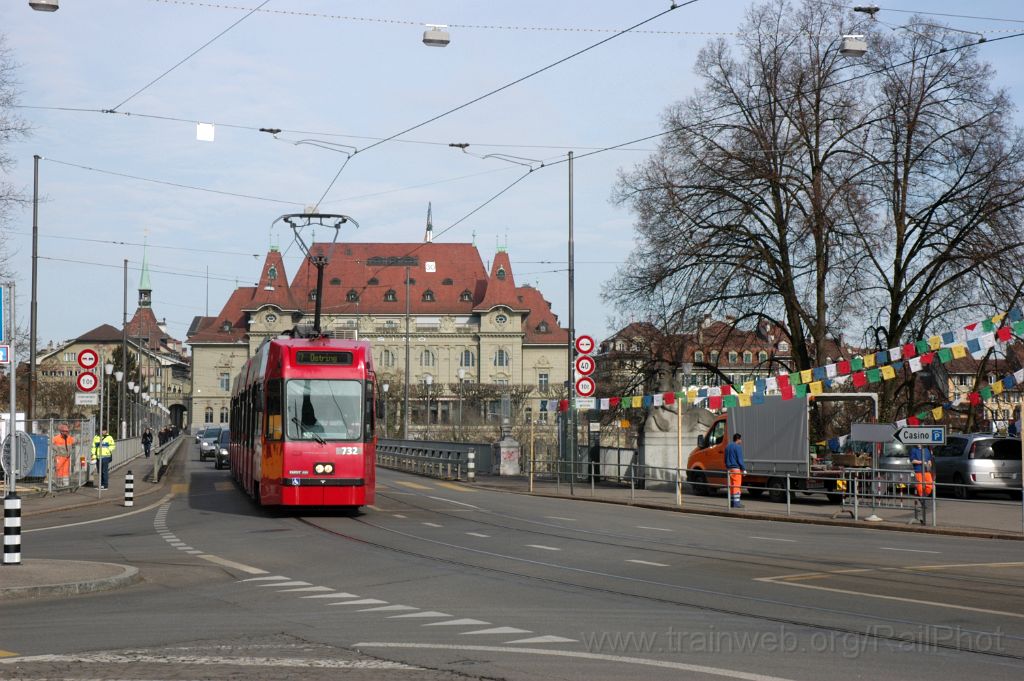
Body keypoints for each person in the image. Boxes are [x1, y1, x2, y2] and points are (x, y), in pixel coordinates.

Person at [724, 432, 746, 508]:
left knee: (731, 486)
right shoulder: (737, 447)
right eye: (740, 439)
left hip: (729, 470)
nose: (741, 441)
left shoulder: (727, 447)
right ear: (738, 439)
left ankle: (732, 502)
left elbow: (725, 458)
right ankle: (736, 503)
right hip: (736, 469)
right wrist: (743, 469)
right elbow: (740, 459)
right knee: (736, 486)